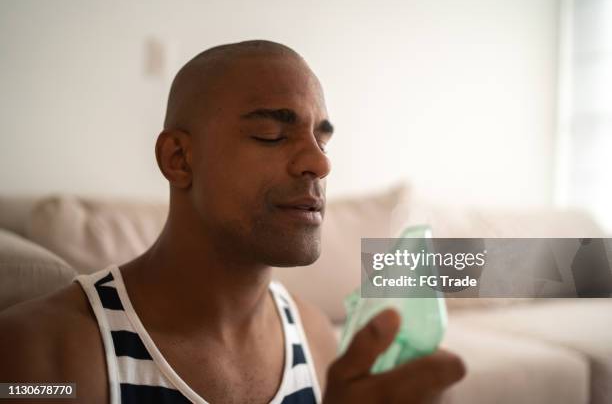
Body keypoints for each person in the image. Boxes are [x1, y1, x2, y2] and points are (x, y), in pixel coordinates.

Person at [0, 40, 465, 403]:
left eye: (322, 140)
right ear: (179, 158)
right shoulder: (39, 359)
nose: (319, 164)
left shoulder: (316, 339)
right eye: (271, 135)